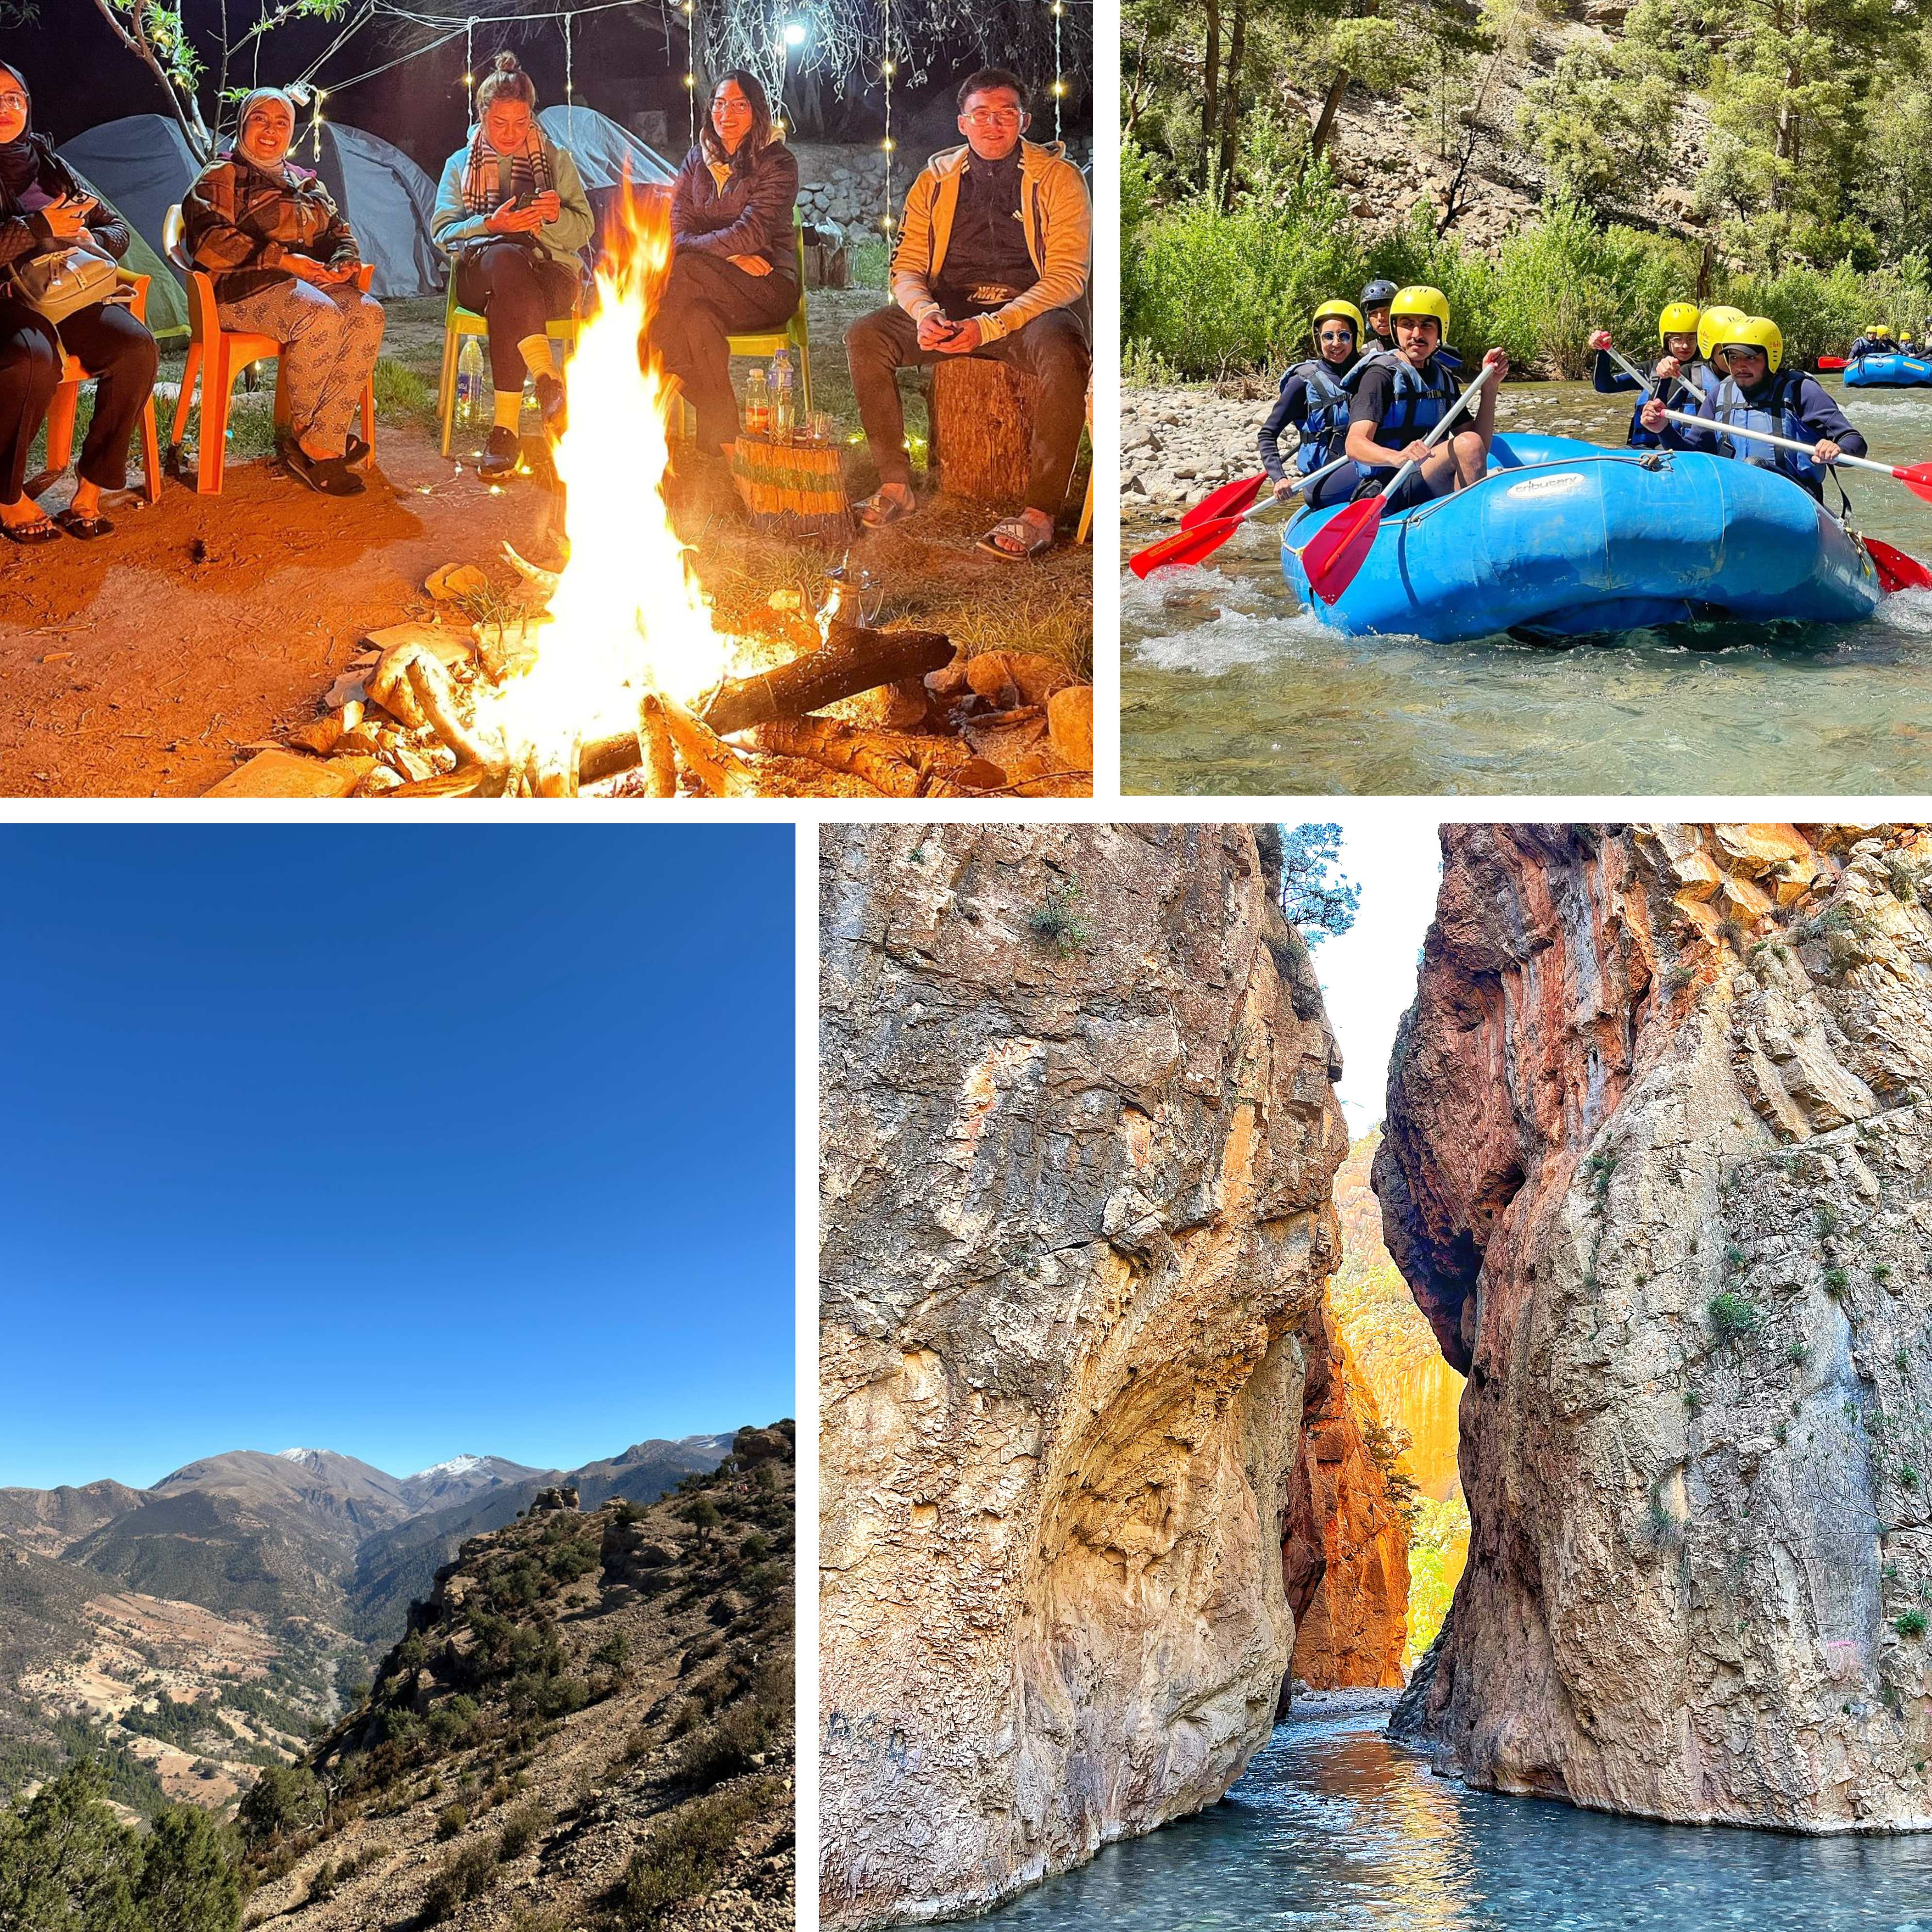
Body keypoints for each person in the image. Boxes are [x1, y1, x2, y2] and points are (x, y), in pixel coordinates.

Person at [845, 67, 1091, 561]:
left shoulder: (1058, 179)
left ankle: (1040, 513)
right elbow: (907, 268)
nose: (992, 125)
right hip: (953, 307)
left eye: (1004, 115)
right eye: (980, 115)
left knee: (1066, 352)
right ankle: (896, 485)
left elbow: (1067, 276)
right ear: (963, 123)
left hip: (1028, 312)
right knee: (864, 336)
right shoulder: (935, 180)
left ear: (1023, 120)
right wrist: (924, 314)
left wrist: (991, 325)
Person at [183, 88, 384, 498]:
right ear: (243, 124)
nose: (271, 131)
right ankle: (315, 445)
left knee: (368, 313)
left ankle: (320, 438)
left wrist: (344, 260)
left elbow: (338, 232)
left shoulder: (305, 182)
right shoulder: (222, 176)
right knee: (321, 315)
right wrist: (282, 260)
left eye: (281, 123)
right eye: (261, 119)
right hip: (240, 290)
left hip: (303, 287)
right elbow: (209, 240)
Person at [0, 61, 158, 541]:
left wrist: (89, 236)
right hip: (9, 299)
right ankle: (7, 495)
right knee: (34, 359)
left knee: (137, 349)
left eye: (14, 97)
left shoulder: (51, 166)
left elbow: (118, 231)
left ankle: (90, 489)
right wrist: (40, 228)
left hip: (67, 290)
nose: (5, 106)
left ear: (28, 106)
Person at [431, 52, 592, 480]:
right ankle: (547, 380)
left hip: (548, 275)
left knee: (510, 301)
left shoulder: (556, 161)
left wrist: (554, 219)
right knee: (504, 256)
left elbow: (584, 231)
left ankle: (505, 432)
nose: (510, 134)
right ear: (483, 116)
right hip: (479, 273)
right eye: (500, 123)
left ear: (531, 118)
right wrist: (490, 224)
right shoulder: (460, 164)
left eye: (520, 124)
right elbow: (442, 232)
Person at [652, 70, 799, 459]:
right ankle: (724, 435)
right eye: (719, 104)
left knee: (676, 276)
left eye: (738, 105)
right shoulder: (696, 160)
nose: (726, 114)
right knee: (696, 319)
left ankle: (646, 367)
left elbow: (752, 234)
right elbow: (675, 229)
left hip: (767, 285)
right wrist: (729, 254)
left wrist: (701, 249)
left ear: (756, 111)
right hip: (710, 287)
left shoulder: (777, 162)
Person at [1638, 316, 1865, 503]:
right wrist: (1663, 429)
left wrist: (1836, 450)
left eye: (1751, 358)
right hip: (1734, 499)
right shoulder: (1720, 394)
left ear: (1770, 357)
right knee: (1746, 472)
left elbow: (1854, 441)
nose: (1740, 366)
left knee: (1754, 466)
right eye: (1733, 358)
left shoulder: (1801, 391)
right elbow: (1692, 454)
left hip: (1796, 499)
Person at [1341, 283, 1508, 511]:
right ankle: (1471, 525)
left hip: (1426, 478)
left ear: (1441, 331)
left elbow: (1480, 446)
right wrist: (1397, 456)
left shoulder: (1444, 378)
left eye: (1426, 326)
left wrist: (1490, 388)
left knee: (1470, 444)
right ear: (1395, 329)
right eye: (1408, 325)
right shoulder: (1380, 375)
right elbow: (1354, 445)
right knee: (1467, 445)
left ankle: (1466, 521)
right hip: (1389, 484)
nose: (1417, 335)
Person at [1258, 299, 1363, 508]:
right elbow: (1267, 434)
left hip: (1360, 466)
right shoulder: (1302, 383)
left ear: (1355, 338)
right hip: (1323, 479)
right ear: (1319, 340)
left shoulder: (1369, 374)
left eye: (1344, 336)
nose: (1336, 343)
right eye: (1328, 336)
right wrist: (1279, 477)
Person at [1588, 302, 1711, 448]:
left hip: (1683, 451)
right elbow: (1605, 386)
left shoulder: (1707, 374)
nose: (1685, 346)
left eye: (1691, 339)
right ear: (1666, 340)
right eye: (1678, 339)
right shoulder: (1648, 370)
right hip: (1642, 449)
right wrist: (1602, 352)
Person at [1359, 278, 1398, 354]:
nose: (1381, 318)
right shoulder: (1365, 352)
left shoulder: (1415, 346)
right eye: (1374, 313)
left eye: (1386, 310)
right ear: (1368, 320)